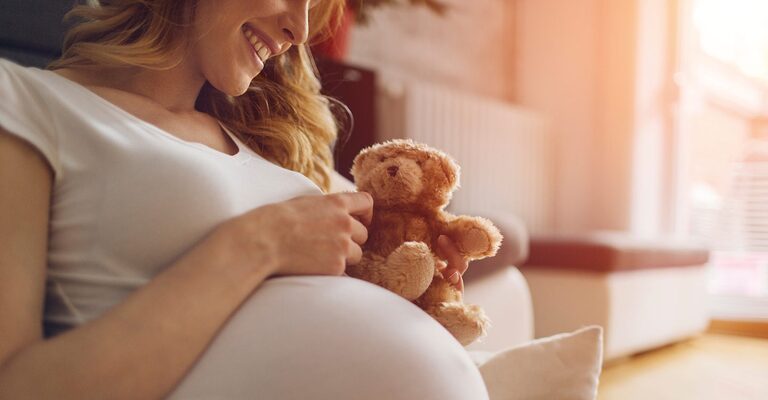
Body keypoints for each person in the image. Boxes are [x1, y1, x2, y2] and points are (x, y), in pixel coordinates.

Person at [0, 0, 489, 398]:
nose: (299, 27)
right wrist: (260, 244)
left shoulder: (259, 143)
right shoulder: (26, 99)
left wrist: (416, 284)